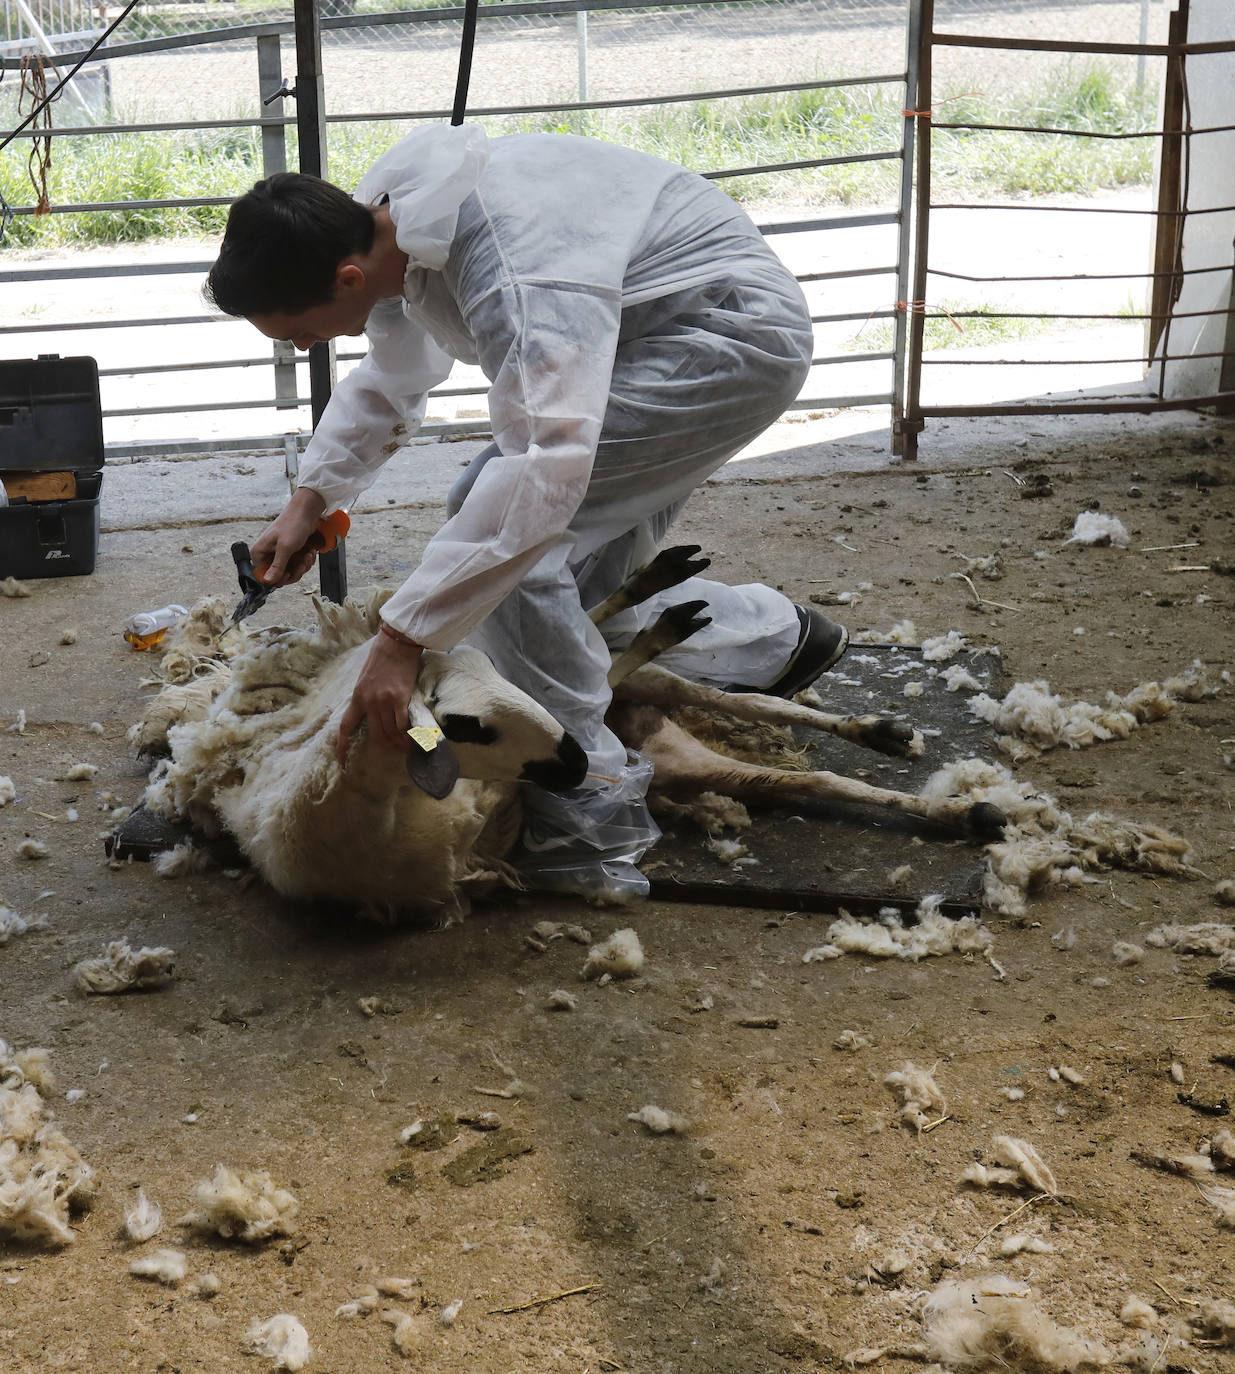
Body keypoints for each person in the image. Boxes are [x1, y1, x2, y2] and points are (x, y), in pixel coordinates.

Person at [204, 122, 848, 898]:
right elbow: (395, 372)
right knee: (530, 563)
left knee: (522, 547)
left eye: (302, 333)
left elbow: (545, 462)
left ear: (344, 277)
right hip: (639, 335)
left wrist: (401, 639)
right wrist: (310, 500)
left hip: (721, 338)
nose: (306, 348)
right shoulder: (377, 224)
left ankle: (589, 816)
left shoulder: (507, 265)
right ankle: (776, 642)